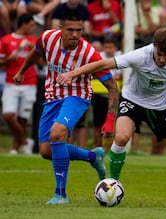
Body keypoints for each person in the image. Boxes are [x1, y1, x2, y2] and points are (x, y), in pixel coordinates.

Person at [57, 27, 166, 208]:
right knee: (122, 137)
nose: (163, 59)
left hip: (160, 108)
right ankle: (112, 185)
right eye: (159, 54)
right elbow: (102, 64)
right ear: (153, 47)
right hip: (133, 101)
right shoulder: (140, 56)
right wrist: (72, 73)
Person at [13, 10, 119, 204]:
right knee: (46, 151)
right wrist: (21, 71)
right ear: (60, 28)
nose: (75, 35)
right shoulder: (47, 38)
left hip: (77, 97)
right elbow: (35, 53)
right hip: (52, 96)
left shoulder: (89, 54)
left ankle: (60, 194)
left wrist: (110, 119)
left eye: (79, 30)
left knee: (57, 134)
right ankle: (92, 157)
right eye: (70, 30)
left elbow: (112, 87)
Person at [0, 13, 37, 155]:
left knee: (22, 119)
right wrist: (9, 60)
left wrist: (32, 47)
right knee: (8, 116)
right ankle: (25, 142)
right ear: (24, 24)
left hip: (29, 83)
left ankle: (15, 149)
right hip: (11, 83)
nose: (33, 28)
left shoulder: (33, 40)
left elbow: (41, 62)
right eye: (32, 25)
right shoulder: (6, 40)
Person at [92, 37, 122, 153]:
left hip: (116, 95)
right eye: (106, 47)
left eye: (111, 47)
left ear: (116, 48)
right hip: (100, 95)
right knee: (97, 124)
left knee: (116, 124)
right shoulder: (98, 56)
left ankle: (113, 149)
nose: (108, 50)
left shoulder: (121, 56)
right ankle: (98, 148)